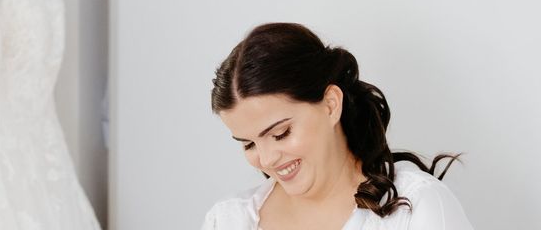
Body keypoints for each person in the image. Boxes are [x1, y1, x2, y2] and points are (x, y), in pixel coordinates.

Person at [201, 23, 474, 230]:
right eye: (248, 144)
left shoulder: (415, 208)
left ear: (331, 105)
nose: (267, 159)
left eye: (280, 134)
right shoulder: (227, 220)